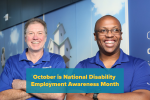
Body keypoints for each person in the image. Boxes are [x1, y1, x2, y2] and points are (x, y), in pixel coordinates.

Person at [66, 15, 150, 100]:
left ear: (121, 35)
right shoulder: (83, 66)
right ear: (95, 36)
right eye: (103, 30)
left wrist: (97, 95)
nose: (109, 35)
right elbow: (73, 97)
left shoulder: (139, 65)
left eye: (115, 30)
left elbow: (143, 97)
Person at [0, 18, 66, 100]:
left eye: (39, 33)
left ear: (45, 38)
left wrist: (23, 85)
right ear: (25, 38)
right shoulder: (12, 62)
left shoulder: (57, 61)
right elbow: (2, 96)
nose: (35, 37)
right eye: (31, 33)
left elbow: (59, 94)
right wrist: (44, 89)